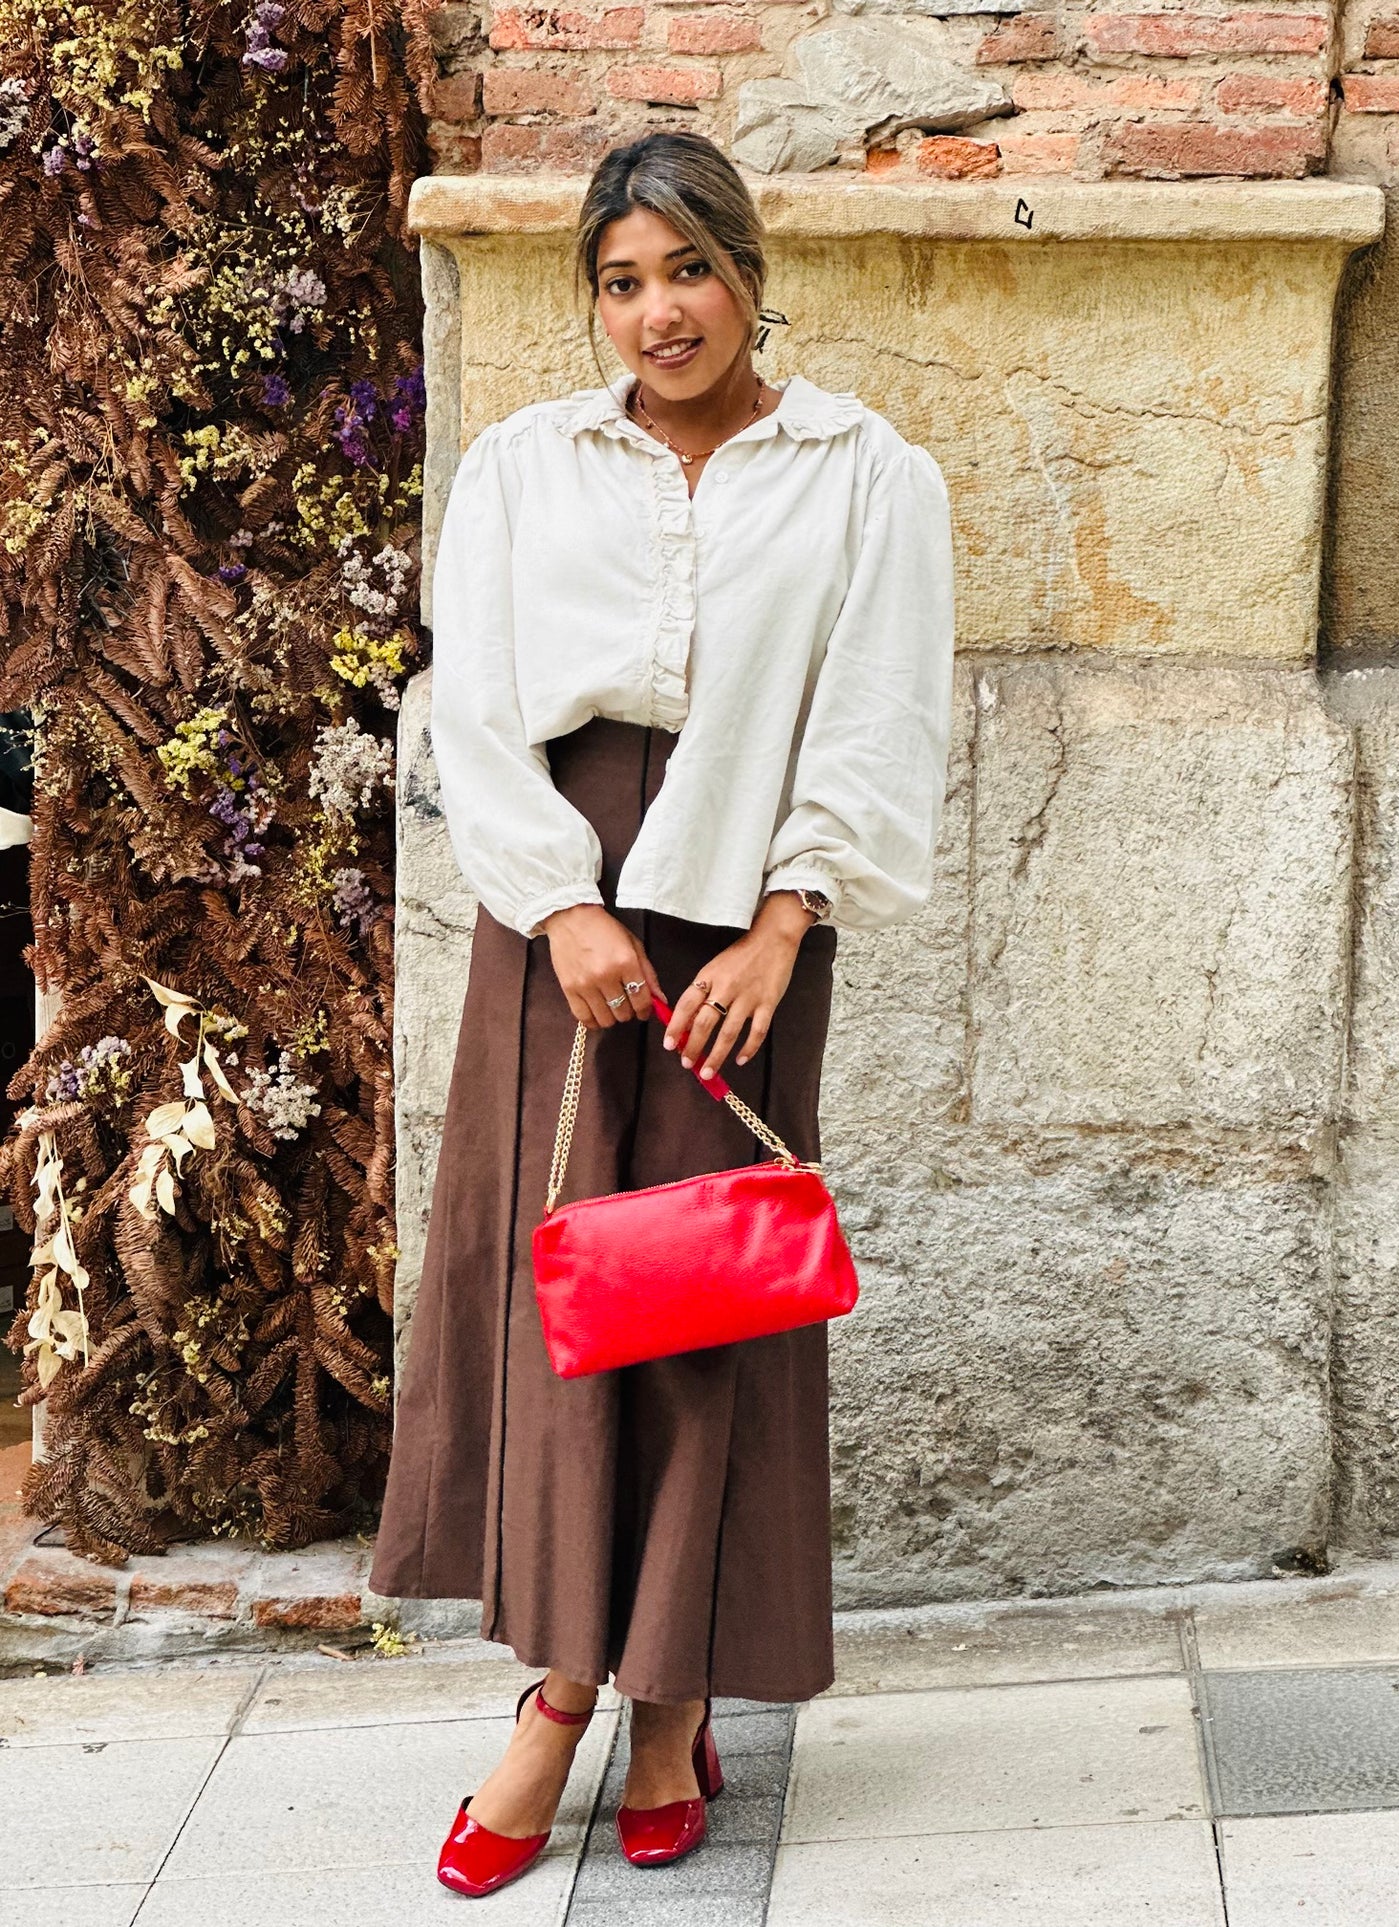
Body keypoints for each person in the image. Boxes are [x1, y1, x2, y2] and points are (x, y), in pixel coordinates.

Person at [369, 128, 955, 1899]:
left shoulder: (865, 474)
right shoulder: (522, 465)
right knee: (568, 1292)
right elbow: (470, 706)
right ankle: (560, 1689)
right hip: (554, 910)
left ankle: (672, 1699)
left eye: (683, 270)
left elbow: (873, 715)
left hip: (747, 913)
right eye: (619, 282)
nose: (655, 312)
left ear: (746, 269)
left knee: (701, 1295)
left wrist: (783, 926)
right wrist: (558, 901)